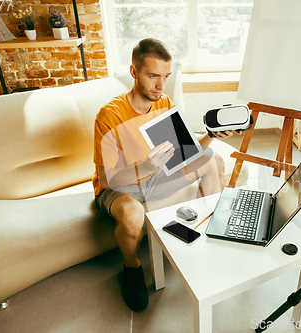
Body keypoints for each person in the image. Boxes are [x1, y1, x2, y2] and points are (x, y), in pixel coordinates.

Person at [93, 38, 239, 312]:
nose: (161, 85)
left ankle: (216, 236)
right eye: (153, 76)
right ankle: (132, 268)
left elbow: (187, 152)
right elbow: (106, 180)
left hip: (154, 178)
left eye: (166, 77)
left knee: (211, 158)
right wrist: (146, 168)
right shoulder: (109, 116)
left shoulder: (164, 103)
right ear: (134, 72)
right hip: (120, 188)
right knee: (133, 215)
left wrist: (210, 135)